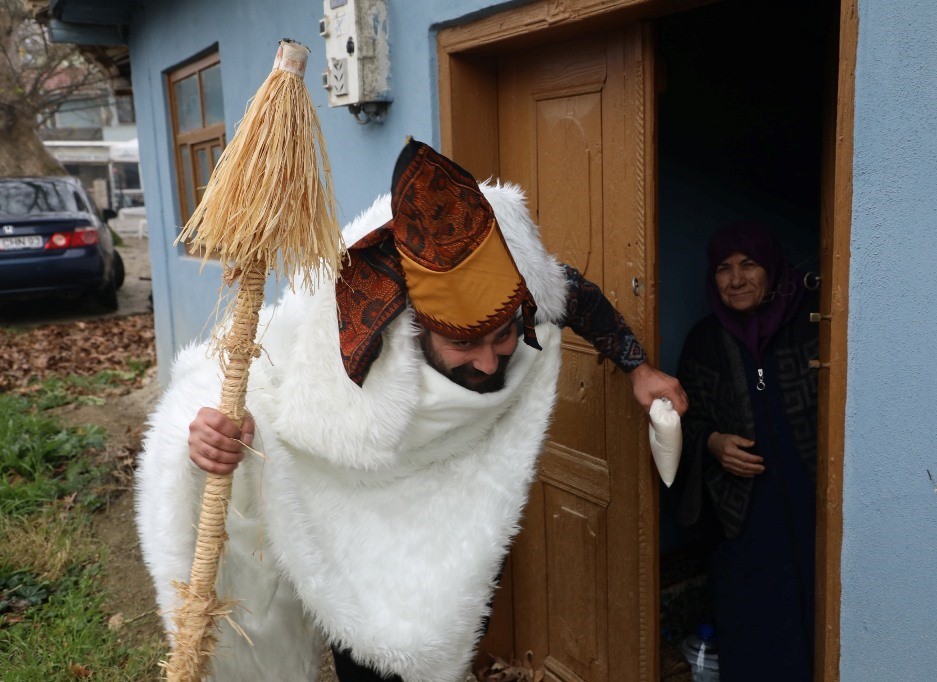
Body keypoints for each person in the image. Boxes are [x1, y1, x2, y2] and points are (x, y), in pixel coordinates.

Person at [136, 140, 686, 682]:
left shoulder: (521, 286)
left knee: (450, 620)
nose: (491, 364)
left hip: (451, 506)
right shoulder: (348, 316)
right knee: (367, 654)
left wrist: (638, 366)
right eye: (463, 345)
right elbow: (266, 377)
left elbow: (574, 294)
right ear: (416, 327)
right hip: (354, 514)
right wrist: (215, 433)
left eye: (502, 337)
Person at [674, 222, 818, 681]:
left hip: (811, 498)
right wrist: (713, 443)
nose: (735, 280)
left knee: (818, 605)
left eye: (748, 264)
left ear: (771, 268)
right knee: (752, 614)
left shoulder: (813, 326)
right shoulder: (704, 341)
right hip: (741, 510)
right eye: (723, 268)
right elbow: (683, 422)